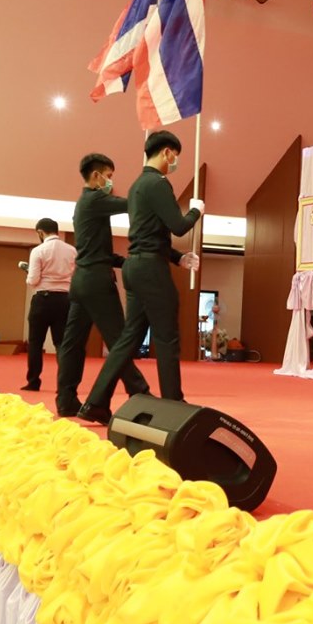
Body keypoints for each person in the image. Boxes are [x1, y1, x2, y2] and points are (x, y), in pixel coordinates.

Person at [82, 132, 201, 420]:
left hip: (135, 267)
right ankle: (173, 404)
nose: (175, 162)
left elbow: (149, 233)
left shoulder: (137, 185)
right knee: (167, 337)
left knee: (129, 338)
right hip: (151, 270)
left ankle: (96, 402)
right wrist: (196, 212)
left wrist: (178, 258)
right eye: (175, 156)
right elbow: (178, 226)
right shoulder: (158, 183)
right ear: (167, 152)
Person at [55, 153, 154, 418]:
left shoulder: (84, 204)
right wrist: (150, 188)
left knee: (73, 343)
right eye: (109, 176)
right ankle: (140, 393)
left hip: (82, 281)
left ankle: (66, 399)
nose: (111, 182)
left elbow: (98, 250)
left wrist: (125, 262)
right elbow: (131, 203)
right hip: (97, 282)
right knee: (120, 341)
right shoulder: (94, 199)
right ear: (96, 175)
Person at [22, 217, 74, 391]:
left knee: (36, 343)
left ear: (40, 232)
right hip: (65, 300)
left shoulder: (38, 251)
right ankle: (64, 385)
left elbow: (33, 280)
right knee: (62, 344)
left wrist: (28, 275)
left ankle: (33, 382)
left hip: (42, 300)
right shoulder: (72, 250)